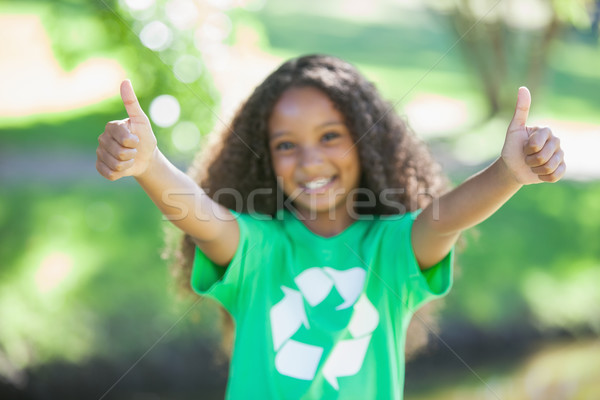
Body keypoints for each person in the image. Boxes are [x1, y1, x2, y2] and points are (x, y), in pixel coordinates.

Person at [96, 55, 565, 399]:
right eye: (286, 145)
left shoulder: (392, 250)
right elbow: (202, 217)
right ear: (266, 158)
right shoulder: (261, 250)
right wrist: (148, 164)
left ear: (369, 142)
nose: (310, 160)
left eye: (330, 136)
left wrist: (509, 174)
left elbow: (446, 218)